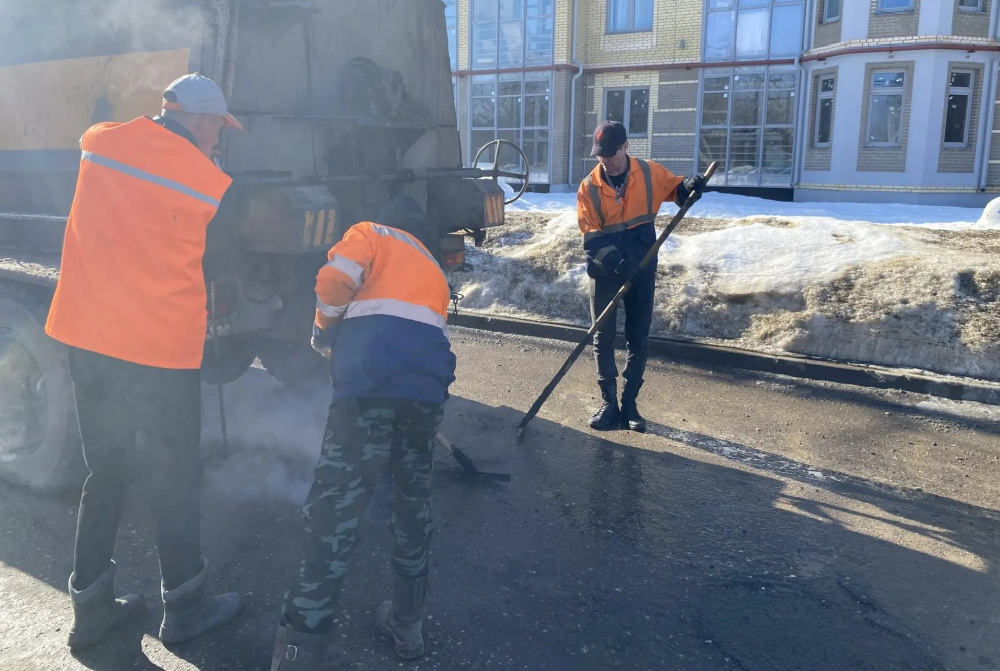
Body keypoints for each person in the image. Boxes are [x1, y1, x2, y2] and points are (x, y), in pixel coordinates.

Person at [45, 73, 245, 649]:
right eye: (217, 128)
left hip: (89, 338)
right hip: (160, 353)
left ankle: (90, 613)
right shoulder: (210, 184)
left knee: (105, 471)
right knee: (175, 476)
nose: (219, 139)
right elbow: (217, 263)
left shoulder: (99, 143)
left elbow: (105, 134)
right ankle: (184, 609)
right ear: (201, 120)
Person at [269, 196, 456, 670]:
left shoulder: (371, 233)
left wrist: (323, 331)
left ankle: (299, 651)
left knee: (334, 512)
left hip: (367, 392)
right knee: (412, 507)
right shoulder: (434, 270)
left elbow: (334, 280)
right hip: (425, 398)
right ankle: (407, 626)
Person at [578, 121, 707, 433]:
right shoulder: (589, 187)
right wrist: (619, 264)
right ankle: (609, 403)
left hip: (643, 268)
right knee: (603, 337)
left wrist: (690, 186)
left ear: (625, 147)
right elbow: (591, 238)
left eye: (610, 154)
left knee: (638, 338)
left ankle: (630, 405)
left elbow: (676, 191)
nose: (604, 161)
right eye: (599, 155)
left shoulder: (648, 173)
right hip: (606, 271)